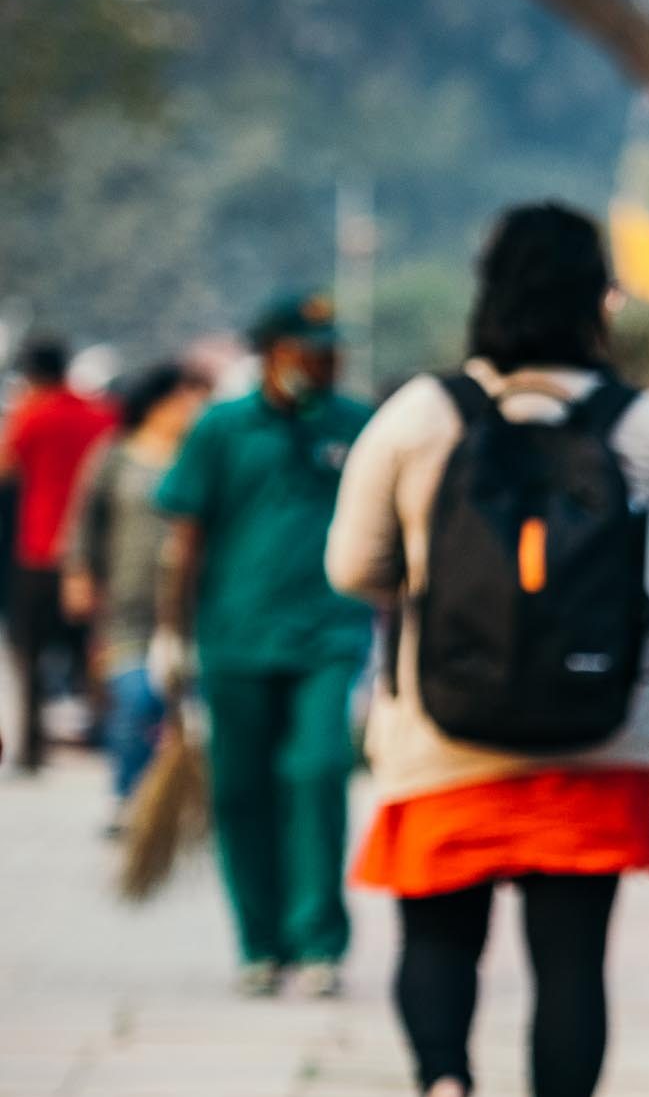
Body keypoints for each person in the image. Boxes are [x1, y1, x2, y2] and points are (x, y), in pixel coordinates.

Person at [327, 202, 649, 1097]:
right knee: (570, 964)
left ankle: (445, 1086)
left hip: (443, 735)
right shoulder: (641, 421)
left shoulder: (421, 413)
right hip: (598, 735)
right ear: (597, 298)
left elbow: (352, 566)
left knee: (439, 941)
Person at [157, 296, 373, 997]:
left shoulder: (355, 426)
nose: (325, 361)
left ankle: (318, 942)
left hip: (328, 634)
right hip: (236, 636)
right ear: (274, 352)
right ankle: (260, 942)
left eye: (330, 348)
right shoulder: (221, 429)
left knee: (317, 771)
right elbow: (185, 539)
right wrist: (171, 632)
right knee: (242, 790)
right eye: (310, 348)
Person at [61, 363, 213, 817]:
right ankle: (128, 792)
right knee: (135, 700)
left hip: (194, 605)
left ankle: (179, 801)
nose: (190, 408)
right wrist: (79, 574)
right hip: (128, 605)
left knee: (187, 708)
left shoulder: (200, 455)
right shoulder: (115, 455)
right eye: (182, 398)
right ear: (156, 403)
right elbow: (85, 521)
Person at [0, 338, 117, 773]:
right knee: (92, 650)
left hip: (41, 549)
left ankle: (32, 751)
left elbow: (5, 465)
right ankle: (106, 738)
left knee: (28, 653)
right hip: (93, 555)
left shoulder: (33, 414)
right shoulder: (100, 413)